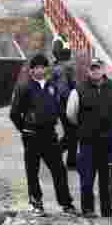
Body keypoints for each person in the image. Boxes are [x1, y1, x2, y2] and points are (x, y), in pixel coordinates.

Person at [9, 53, 76, 216]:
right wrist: (23, 129)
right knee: (32, 171)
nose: (39, 70)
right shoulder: (24, 87)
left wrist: (66, 129)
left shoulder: (52, 86)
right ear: (31, 70)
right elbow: (14, 113)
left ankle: (66, 203)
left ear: (46, 69)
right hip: (31, 135)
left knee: (59, 169)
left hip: (50, 134)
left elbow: (60, 110)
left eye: (42, 67)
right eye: (36, 68)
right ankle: (36, 203)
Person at [66, 57, 112, 218]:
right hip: (87, 142)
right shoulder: (78, 90)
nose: (95, 71)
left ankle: (107, 212)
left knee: (107, 180)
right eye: (92, 68)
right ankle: (88, 210)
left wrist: (110, 127)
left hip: (109, 142)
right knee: (86, 179)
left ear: (104, 69)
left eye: (98, 68)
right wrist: (85, 128)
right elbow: (71, 114)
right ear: (88, 71)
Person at [50, 38, 78, 168]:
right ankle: (55, 155)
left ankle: (70, 161)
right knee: (72, 134)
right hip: (65, 105)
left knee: (71, 134)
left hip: (62, 105)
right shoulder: (63, 68)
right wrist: (74, 101)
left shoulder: (58, 67)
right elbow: (63, 89)